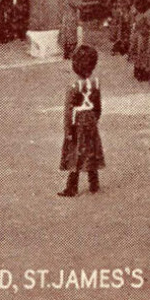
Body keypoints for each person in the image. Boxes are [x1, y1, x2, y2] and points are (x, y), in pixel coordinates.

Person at [58, 44, 105, 196]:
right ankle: (94, 183)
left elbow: (68, 111)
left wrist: (68, 130)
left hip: (77, 120)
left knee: (75, 151)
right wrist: (94, 119)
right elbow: (98, 106)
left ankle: (72, 187)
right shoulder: (95, 84)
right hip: (90, 119)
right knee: (91, 148)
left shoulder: (73, 87)